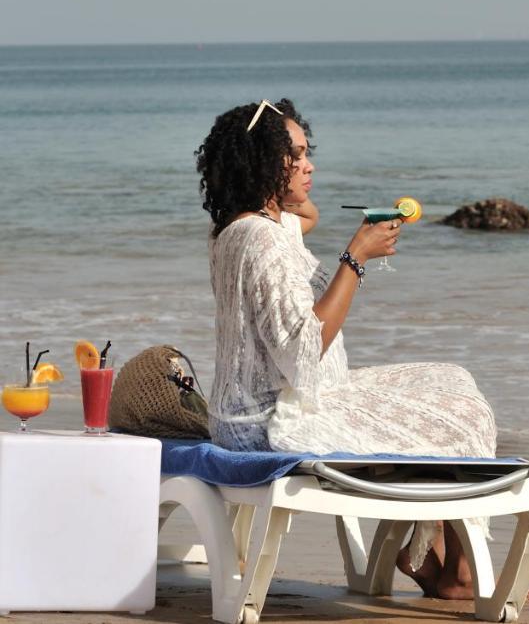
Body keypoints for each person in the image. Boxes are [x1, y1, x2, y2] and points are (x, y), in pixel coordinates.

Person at [195, 98, 497, 601]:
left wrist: (280, 185)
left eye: (308, 151)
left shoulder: (241, 228)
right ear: (264, 163)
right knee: (459, 410)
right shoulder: (264, 243)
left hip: (247, 410)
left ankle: (437, 557)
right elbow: (303, 351)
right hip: (270, 422)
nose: (310, 165)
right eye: (295, 154)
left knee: (447, 379)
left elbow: (304, 213)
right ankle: (455, 571)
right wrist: (355, 258)